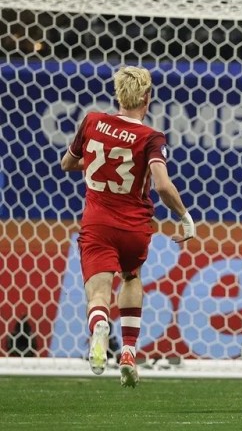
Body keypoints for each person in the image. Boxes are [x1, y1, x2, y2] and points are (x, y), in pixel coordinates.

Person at [60, 66, 195, 388]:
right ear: (147, 97)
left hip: (97, 223)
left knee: (98, 292)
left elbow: (67, 164)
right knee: (131, 276)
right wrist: (184, 217)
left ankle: (99, 326)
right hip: (135, 227)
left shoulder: (92, 121)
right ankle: (130, 353)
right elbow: (162, 186)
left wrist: (97, 165)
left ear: (118, 95)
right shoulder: (151, 137)